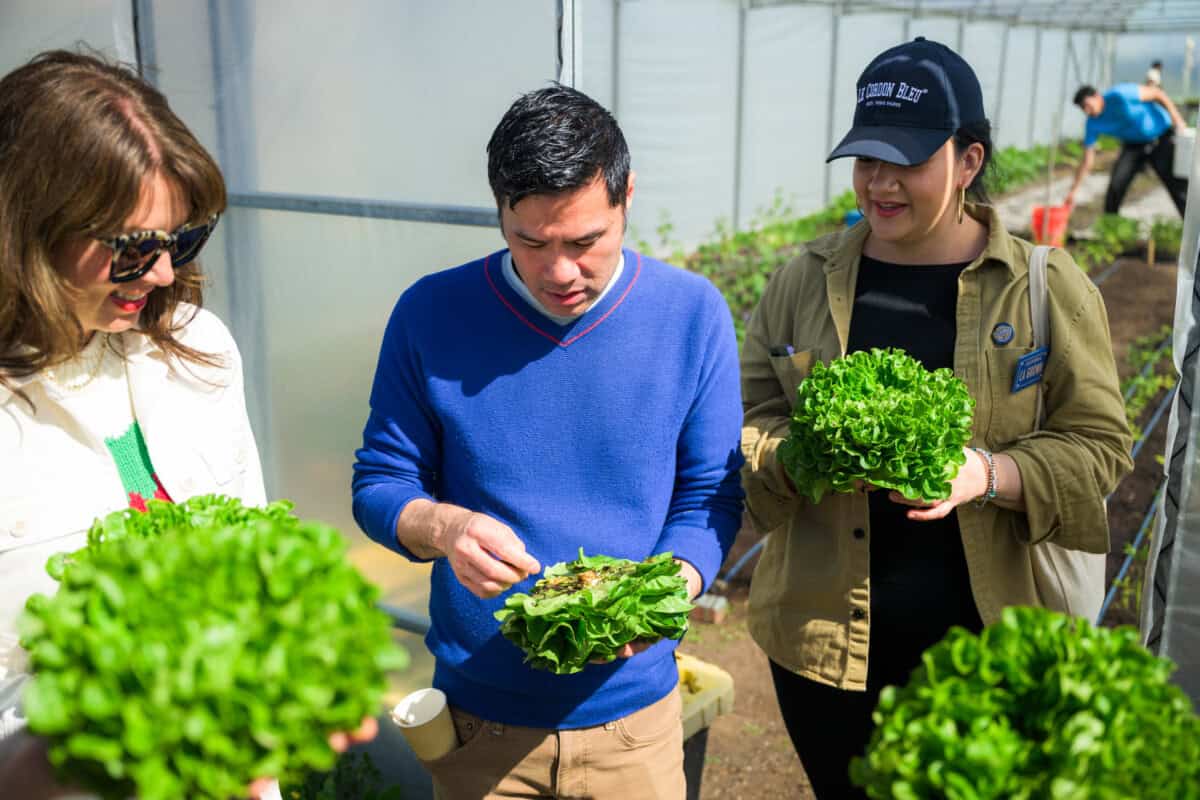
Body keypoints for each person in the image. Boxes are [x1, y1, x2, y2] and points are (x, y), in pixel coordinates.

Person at [740, 38, 1133, 799]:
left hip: (991, 641)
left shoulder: (1044, 288)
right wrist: (800, 456)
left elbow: (1101, 448)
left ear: (969, 161)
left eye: (908, 162)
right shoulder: (800, 281)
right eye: (865, 161)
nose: (879, 184)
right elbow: (752, 420)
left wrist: (986, 473)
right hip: (827, 648)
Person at [352, 84, 744, 799]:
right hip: (478, 725)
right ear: (500, 211)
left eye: (584, 242)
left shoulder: (691, 316)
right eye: (531, 242)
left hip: (636, 722)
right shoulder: (431, 314)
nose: (560, 271)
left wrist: (667, 590)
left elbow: (709, 495)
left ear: (627, 200)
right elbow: (380, 480)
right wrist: (444, 525)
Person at [0, 51, 370, 798]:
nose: (165, 274)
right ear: (28, 228)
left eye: (182, 241)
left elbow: (260, 554)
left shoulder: (198, 349)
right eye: (132, 248)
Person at [1065, 81, 1189, 216]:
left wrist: (1177, 119)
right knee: (1116, 185)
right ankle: (1110, 225)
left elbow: (1157, 93)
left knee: (1178, 187)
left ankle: (1193, 225)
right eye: (1083, 109)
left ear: (1097, 96)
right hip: (1133, 146)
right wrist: (1073, 191)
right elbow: (1087, 160)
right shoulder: (1093, 123)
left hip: (1161, 138)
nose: (1087, 111)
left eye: (1087, 105)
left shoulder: (1120, 95)